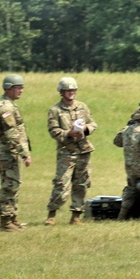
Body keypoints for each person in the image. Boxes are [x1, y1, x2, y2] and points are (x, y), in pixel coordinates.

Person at [45, 76, 97, 225]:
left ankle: (76, 215)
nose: (71, 93)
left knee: (81, 183)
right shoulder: (55, 110)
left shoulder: (82, 107)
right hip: (66, 152)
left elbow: (93, 123)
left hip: (83, 150)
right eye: (68, 90)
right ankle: (51, 214)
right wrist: (68, 133)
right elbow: (53, 130)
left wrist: (87, 129)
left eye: (73, 90)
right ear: (61, 92)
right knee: (61, 184)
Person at [0, 74, 31, 232]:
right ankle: (5, 221)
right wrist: (24, 153)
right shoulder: (6, 108)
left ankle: (13, 218)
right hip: (8, 153)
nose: (21, 90)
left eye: (22, 87)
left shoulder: (9, 105)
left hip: (11, 153)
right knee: (9, 186)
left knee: (14, 185)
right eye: (18, 88)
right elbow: (11, 135)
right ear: (8, 88)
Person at [112, 104, 140, 220]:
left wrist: (125, 127)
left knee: (130, 192)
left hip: (131, 171)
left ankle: (122, 217)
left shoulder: (127, 131)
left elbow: (117, 142)